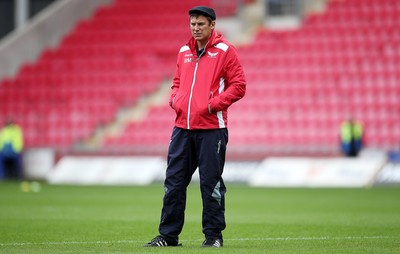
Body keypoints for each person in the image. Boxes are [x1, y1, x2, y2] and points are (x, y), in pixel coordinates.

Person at [145, 6, 246, 248]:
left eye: (201, 24)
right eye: (192, 24)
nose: (196, 28)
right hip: (182, 128)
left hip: (212, 129)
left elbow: (239, 86)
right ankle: (168, 236)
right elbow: (177, 82)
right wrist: (174, 100)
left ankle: (213, 237)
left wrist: (212, 105)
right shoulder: (183, 52)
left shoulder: (225, 51)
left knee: (210, 183)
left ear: (212, 25)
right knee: (173, 182)